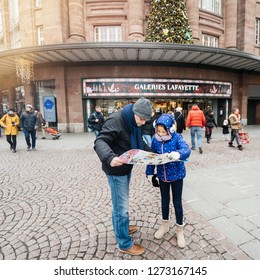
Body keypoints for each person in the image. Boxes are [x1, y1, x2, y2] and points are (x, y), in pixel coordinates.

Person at [94, 97, 153, 256]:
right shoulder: (116, 120)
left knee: (121, 202)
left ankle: (122, 228)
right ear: (135, 112)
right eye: (141, 119)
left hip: (126, 167)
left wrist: (154, 154)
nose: (142, 123)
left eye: (146, 120)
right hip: (115, 168)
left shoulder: (134, 122)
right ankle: (124, 243)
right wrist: (110, 158)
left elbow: (140, 143)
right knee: (121, 207)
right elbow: (100, 141)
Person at [146, 114, 190, 248]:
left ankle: (179, 231)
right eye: (158, 131)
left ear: (170, 129)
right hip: (162, 176)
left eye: (163, 131)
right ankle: (164, 226)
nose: (160, 134)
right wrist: (150, 173)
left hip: (177, 175)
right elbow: (152, 157)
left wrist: (179, 154)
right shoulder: (155, 140)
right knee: (164, 201)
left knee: (177, 203)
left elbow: (186, 150)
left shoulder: (177, 137)